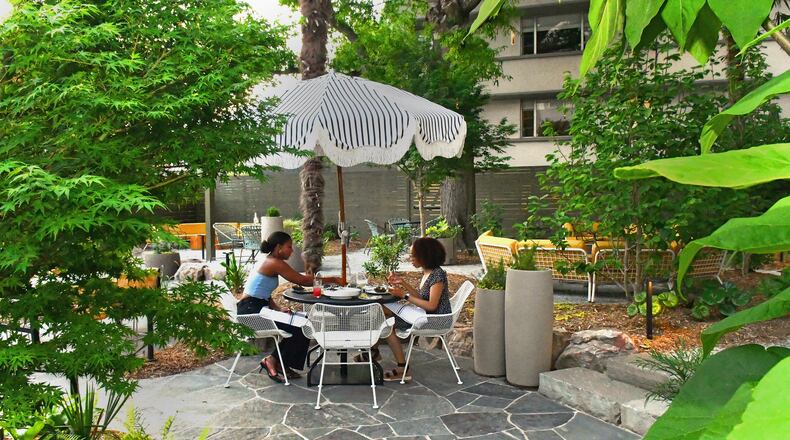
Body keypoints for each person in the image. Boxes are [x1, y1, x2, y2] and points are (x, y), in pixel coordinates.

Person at [237, 231, 341, 383]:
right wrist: (333, 279)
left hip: (256, 307)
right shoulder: (274, 263)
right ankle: (275, 361)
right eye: (289, 247)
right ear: (278, 247)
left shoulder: (268, 260)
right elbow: (302, 280)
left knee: (303, 320)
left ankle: (278, 362)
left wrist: (278, 310)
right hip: (252, 312)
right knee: (302, 326)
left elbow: (262, 293)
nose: (292, 251)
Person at [380, 237, 452, 382]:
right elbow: (421, 297)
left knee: (387, 323)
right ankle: (375, 353)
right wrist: (403, 283)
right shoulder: (427, 272)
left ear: (425, 255)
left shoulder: (437, 275)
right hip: (424, 314)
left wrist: (404, 295)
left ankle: (402, 369)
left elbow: (432, 305)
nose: (410, 258)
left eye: (413, 255)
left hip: (435, 319)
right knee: (381, 310)